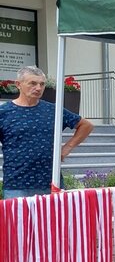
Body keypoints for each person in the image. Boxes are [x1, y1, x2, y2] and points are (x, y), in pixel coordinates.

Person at [0, 65, 93, 198]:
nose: (38, 88)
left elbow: (86, 125)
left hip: (51, 182)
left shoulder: (53, 110)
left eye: (42, 84)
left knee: (56, 213)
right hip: (17, 185)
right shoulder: (4, 113)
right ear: (18, 84)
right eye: (33, 83)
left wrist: (67, 147)